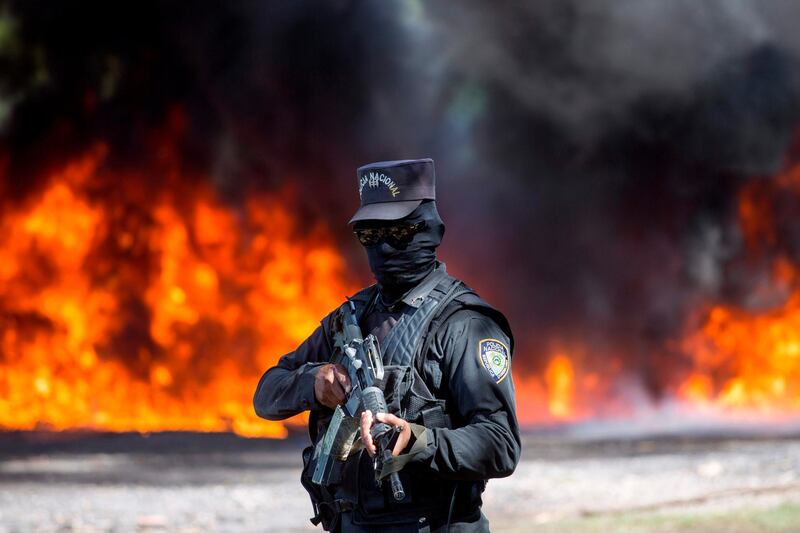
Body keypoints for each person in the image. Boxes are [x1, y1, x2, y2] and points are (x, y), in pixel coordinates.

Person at [253, 158, 520, 532]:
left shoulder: (464, 324)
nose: (382, 248)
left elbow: (500, 443)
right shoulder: (348, 320)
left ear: (428, 230)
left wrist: (418, 441)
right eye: (369, 236)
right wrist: (315, 382)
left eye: (398, 234)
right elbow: (266, 395)